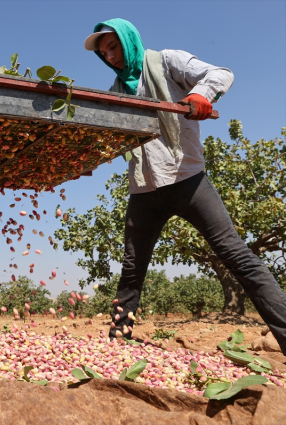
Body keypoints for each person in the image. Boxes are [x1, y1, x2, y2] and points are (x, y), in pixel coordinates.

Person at [84, 18, 286, 355]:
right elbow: (106, 137)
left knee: (238, 258)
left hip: (187, 181)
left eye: (113, 46)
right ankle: (118, 344)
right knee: (132, 270)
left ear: (129, 41)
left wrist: (201, 94)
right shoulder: (116, 94)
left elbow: (221, 74)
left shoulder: (166, 61)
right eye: (104, 52)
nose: (110, 56)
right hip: (143, 192)